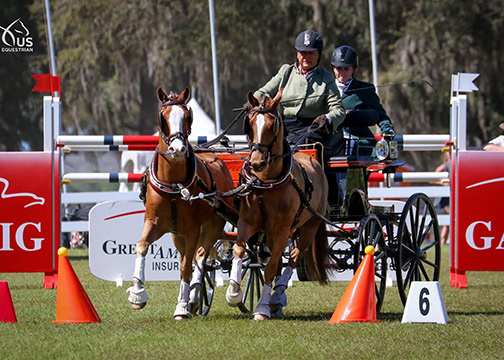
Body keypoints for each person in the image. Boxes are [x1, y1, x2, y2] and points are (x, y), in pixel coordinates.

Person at [252, 30, 345, 159]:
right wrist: (254, 101)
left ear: (319, 55)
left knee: (299, 149)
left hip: (311, 130)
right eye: (303, 53)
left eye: (312, 53)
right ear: (297, 54)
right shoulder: (286, 72)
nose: (307, 57)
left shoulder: (326, 78)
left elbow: (338, 109)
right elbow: (264, 91)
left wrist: (327, 118)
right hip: (283, 128)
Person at [330, 45, 395, 155]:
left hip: (359, 146)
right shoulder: (326, 87)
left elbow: (381, 116)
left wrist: (388, 130)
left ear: (353, 69)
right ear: (333, 68)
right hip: (332, 146)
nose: (342, 73)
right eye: (339, 68)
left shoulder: (365, 89)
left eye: (346, 69)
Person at [433, 151, 451, 246]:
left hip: (451, 196)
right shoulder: (445, 166)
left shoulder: (454, 165)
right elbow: (432, 179)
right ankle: (445, 240)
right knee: (451, 217)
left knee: (448, 222)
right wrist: (444, 184)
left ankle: (444, 241)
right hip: (446, 198)